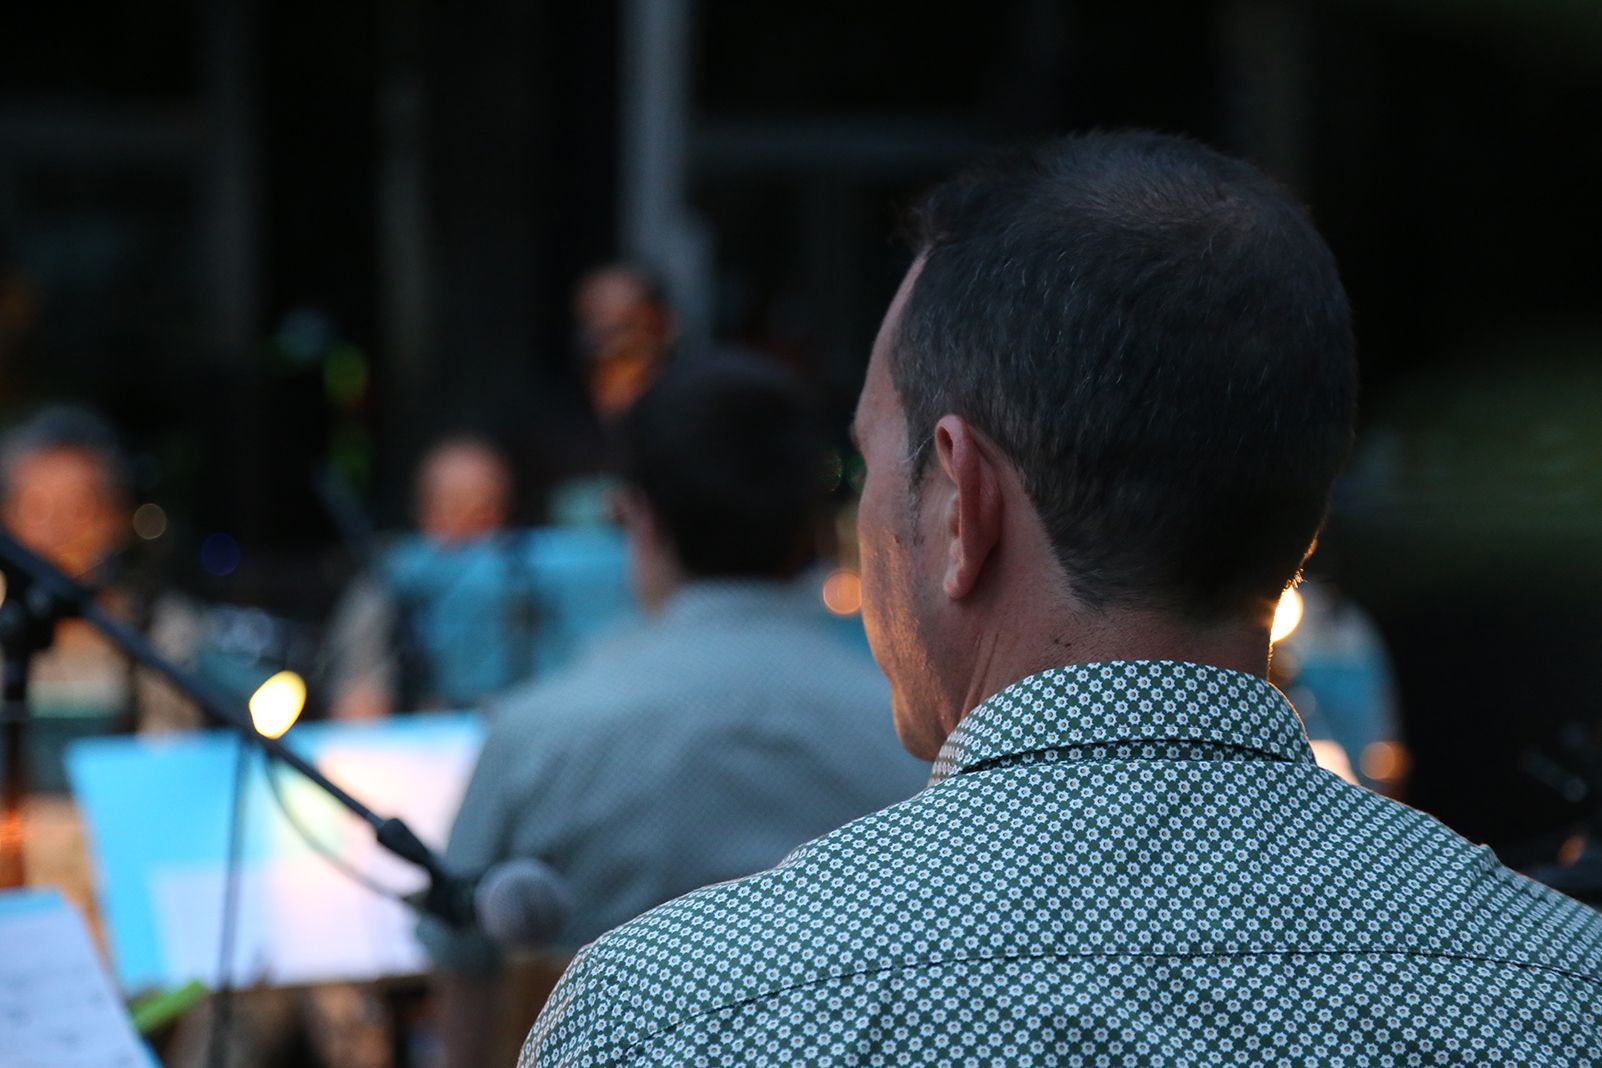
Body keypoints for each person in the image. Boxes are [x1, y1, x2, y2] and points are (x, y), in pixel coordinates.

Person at [520, 132, 1602, 1065]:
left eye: (869, 473)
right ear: (1305, 515)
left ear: (962, 505)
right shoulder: (1561, 992)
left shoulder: (669, 1023)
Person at [421, 357, 930, 1068]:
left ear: (644, 520)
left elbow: (467, 1002)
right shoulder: (922, 743)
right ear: (810, 526)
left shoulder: (532, 739)